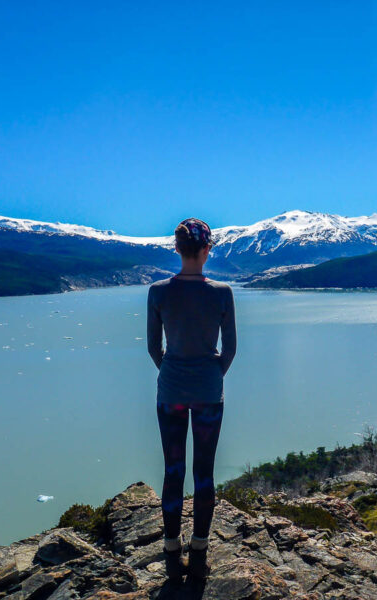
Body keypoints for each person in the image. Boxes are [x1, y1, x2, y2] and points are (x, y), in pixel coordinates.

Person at [146, 217, 237, 581]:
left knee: (173, 470)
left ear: (178, 249)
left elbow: (155, 348)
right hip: (208, 395)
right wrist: (211, 376)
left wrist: (172, 374)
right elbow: (229, 349)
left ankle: (171, 546)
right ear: (206, 250)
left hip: (170, 392)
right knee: (203, 472)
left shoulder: (158, 291)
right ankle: (199, 547)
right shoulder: (221, 292)